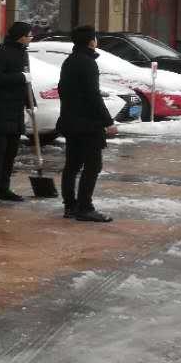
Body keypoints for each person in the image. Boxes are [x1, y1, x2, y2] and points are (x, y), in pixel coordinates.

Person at [57, 25, 117, 223]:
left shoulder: (69, 61)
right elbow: (93, 96)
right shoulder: (88, 63)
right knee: (93, 165)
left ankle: (70, 206)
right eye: (95, 37)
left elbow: (62, 90)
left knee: (72, 165)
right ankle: (85, 207)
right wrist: (108, 122)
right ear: (91, 41)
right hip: (87, 124)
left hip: (70, 121)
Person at [0, 22, 33, 204]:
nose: (31, 38)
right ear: (20, 36)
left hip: (16, 109)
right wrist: (21, 77)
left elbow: (27, 83)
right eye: (29, 35)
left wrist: (31, 103)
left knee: (11, 151)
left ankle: (4, 188)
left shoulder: (23, 53)